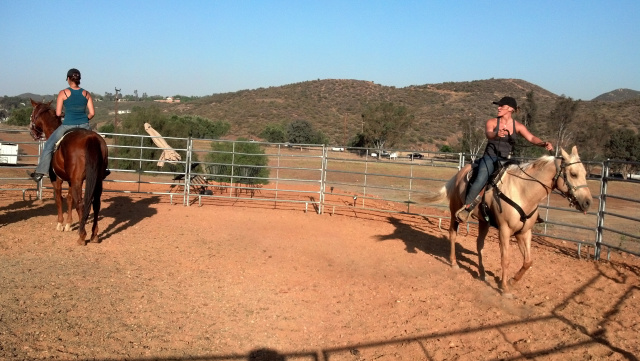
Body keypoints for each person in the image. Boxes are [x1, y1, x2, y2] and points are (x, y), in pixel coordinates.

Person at [455, 96, 553, 223]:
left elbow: (531, 138)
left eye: (502, 106)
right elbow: (488, 134)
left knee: (522, 179)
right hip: (489, 158)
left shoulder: (517, 126)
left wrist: (543, 143)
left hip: (506, 160)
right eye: (498, 105)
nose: (499, 108)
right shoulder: (491, 122)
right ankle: (466, 208)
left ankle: (531, 213)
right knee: (480, 178)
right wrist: (496, 134)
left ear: (510, 109)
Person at [28, 68, 100, 181]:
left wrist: (65, 115)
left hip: (68, 125)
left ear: (68, 79)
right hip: (85, 125)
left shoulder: (63, 93)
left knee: (48, 146)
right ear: (79, 80)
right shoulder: (86, 94)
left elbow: (57, 113)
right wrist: (83, 119)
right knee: (97, 145)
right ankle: (102, 169)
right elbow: (92, 113)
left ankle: (40, 172)